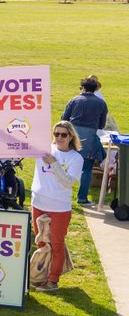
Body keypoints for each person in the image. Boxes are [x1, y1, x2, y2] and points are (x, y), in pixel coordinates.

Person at [30, 121, 85, 292]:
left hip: (59, 207)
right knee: (41, 242)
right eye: (56, 134)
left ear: (71, 136)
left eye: (63, 134)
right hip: (38, 202)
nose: (59, 138)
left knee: (56, 243)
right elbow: (15, 143)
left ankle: (53, 280)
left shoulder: (76, 158)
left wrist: (54, 163)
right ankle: (42, 275)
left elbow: (68, 182)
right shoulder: (43, 148)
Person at [61, 76, 108, 206]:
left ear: (83, 88)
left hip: (71, 136)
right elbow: (101, 125)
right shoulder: (101, 103)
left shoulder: (74, 100)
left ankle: (60, 195)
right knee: (86, 169)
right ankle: (82, 198)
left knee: (62, 165)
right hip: (89, 138)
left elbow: (64, 119)